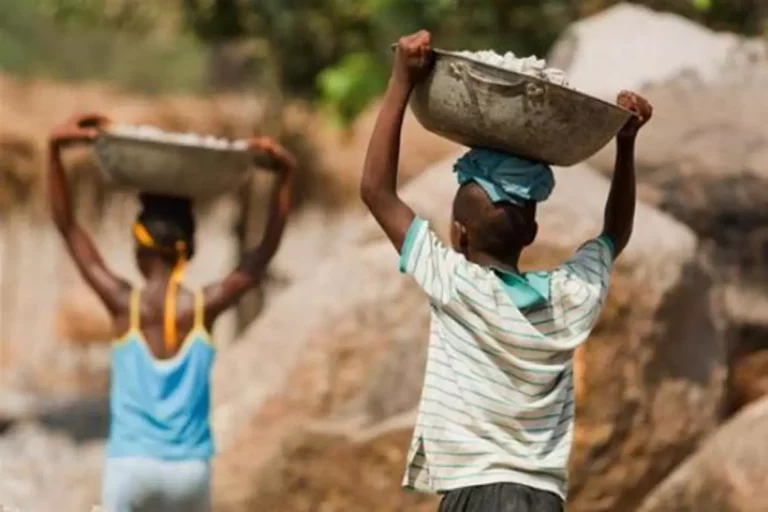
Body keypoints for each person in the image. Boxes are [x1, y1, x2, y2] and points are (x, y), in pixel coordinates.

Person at [360, 30, 652, 512]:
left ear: (459, 235)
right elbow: (613, 235)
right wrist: (625, 145)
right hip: (542, 498)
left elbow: (376, 191)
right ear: (532, 233)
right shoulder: (567, 298)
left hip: (477, 492)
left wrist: (401, 83)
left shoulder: (456, 284)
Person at [48, 113, 296, 512]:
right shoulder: (204, 307)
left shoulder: (122, 304)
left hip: (131, 468)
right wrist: (285, 177)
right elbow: (261, 256)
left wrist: (54, 151)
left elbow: (68, 227)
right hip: (189, 473)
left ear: (138, 245)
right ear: (189, 250)